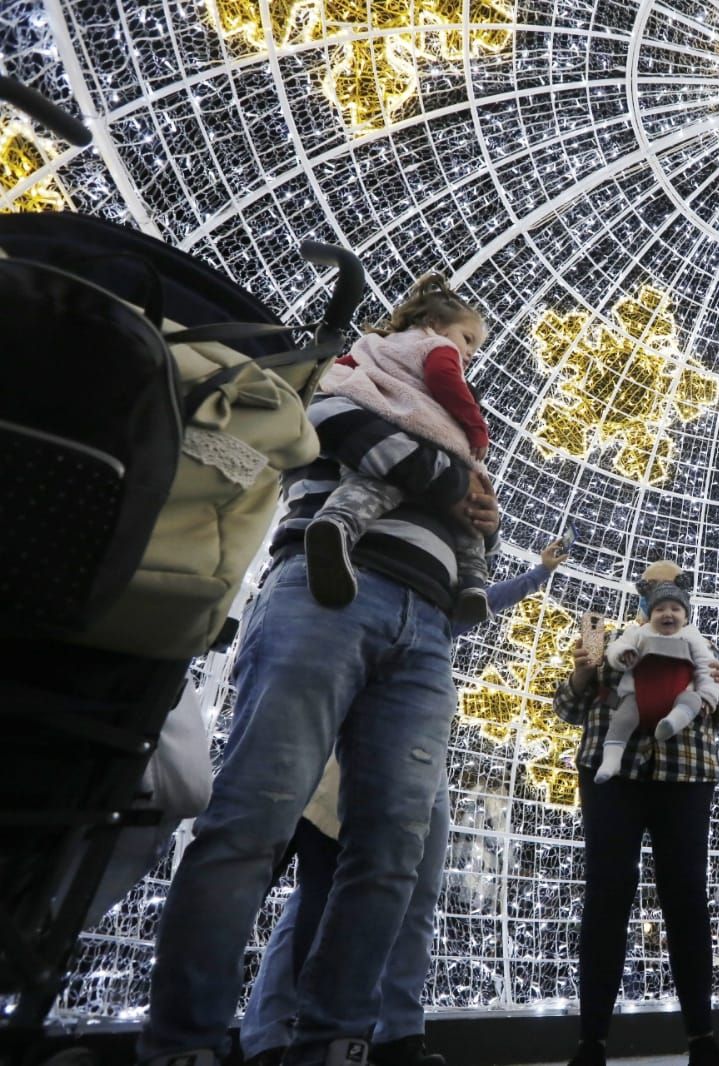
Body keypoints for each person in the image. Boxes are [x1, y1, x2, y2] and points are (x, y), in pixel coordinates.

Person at [136, 374, 502, 1066]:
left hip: (427, 626)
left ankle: (337, 1039)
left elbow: (473, 544)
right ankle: (184, 1044)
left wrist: (476, 516)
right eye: (458, 344)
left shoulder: (458, 449)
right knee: (251, 821)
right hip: (323, 592)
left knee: (394, 848)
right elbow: (338, 426)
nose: (464, 361)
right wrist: (451, 481)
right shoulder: (355, 378)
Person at [240, 544, 569, 1066]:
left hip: (423, 749)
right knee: (319, 892)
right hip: (349, 748)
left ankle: (399, 1033)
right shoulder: (364, 578)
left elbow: (484, 601)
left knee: (414, 894)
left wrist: (540, 573)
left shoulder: (437, 607)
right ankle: (270, 1034)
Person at [553, 559, 719, 1066]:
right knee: (605, 898)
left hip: (685, 779)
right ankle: (590, 1042)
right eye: (659, 592)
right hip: (613, 778)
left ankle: (701, 1039)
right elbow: (568, 710)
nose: (668, 602)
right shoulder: (612, 644)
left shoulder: (700, 644)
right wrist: (581, 673)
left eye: (678, 590)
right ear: (643, 599)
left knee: (686, 900)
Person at [305, 273, 495, 625]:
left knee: (366, 485)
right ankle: (473, 585)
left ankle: (336, 524)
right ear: (435, 324)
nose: (468, 353)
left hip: (424, 598)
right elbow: (445, 381)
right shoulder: (437, 348)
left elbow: (336, 374)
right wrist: (474, 427)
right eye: (467, 339)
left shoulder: (374, 345)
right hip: (380, 582)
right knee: (412, 493)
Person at [597, 577, 719, 781]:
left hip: (679, 699)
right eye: (660, 609)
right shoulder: (637, 633)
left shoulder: (693, 636)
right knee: (622, 720)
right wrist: (624, 654)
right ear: (648, 614)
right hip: (639, 697)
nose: (667, 613)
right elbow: (615, 649)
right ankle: (610, 761)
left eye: (675, 609)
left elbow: (706, 667)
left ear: (686, 617)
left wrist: (708, 696)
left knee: (692, 700)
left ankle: (672, 722)